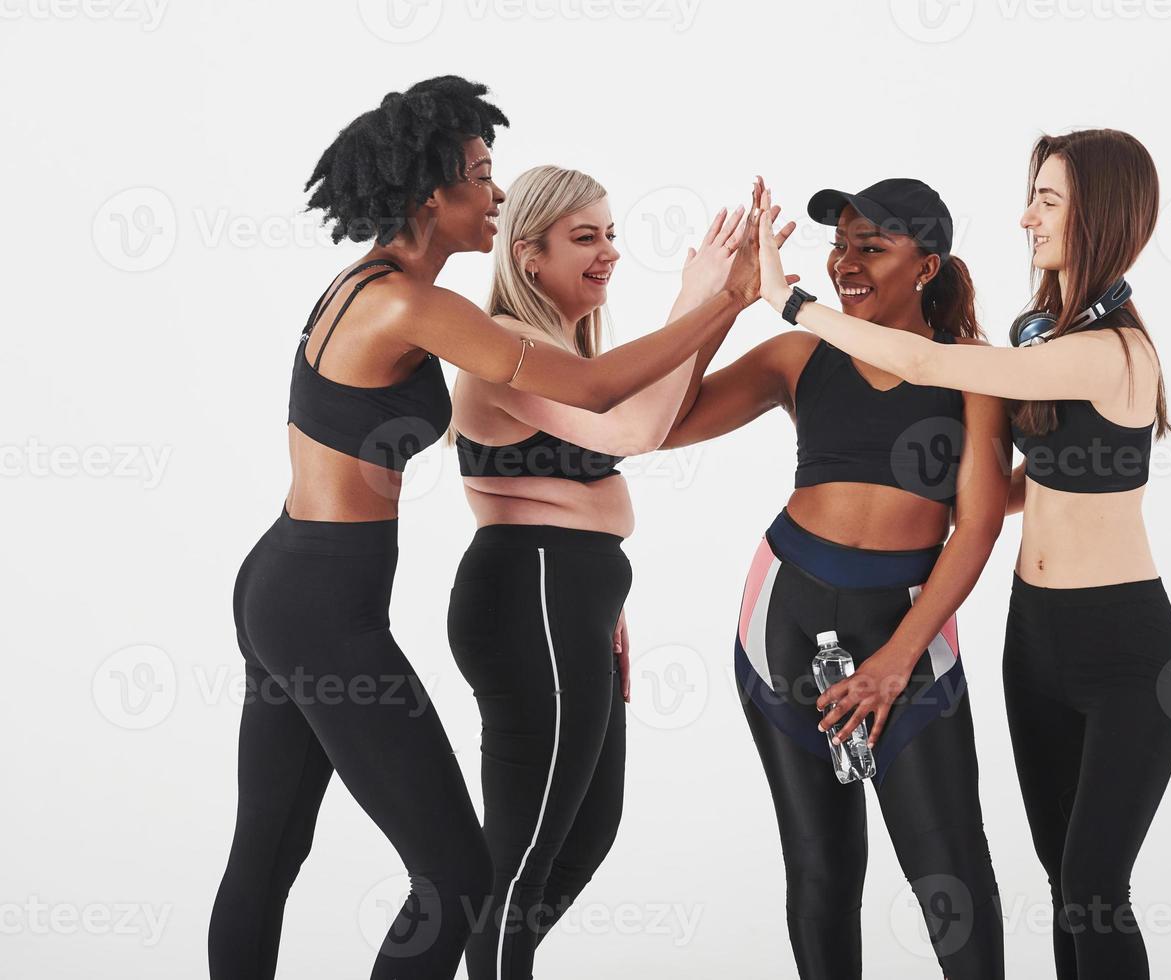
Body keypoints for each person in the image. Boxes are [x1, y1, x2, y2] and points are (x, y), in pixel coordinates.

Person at [208, 76, 766, 980]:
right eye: (480, 175)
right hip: (319, 606)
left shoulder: (375, 289)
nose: (496, 197)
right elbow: (591, 391)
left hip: (289, 581)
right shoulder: (405, 303)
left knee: (270, 855)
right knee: (456, 873)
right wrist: (720, 301)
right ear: (434, 192)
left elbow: (562, 417)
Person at [755, 130, 1171, 979]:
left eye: (1048, 200)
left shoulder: (1112, 351)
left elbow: (924, 359)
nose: (1026, 216)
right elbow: (1042, 481)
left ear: (1097, 214)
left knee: (1096, 885)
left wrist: (787, 300)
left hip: (1120, 644)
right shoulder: (1047, 337)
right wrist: (969, 488)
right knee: (1064, 881)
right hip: (1037, 639)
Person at [446, 167, 793, 979]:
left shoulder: (563, 356)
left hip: (569, 594)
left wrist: (726, 305)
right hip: (531, 591)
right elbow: (634, 430)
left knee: (583, 840)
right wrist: (707, 296)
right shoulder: (506, 345)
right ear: (528, 256)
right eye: (585, 237)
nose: (608, 252)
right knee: (521, 861)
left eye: (609, 233)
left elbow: (655, 414)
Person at [663, 178, 1009, 978]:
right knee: (821, 868)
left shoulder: (973, 370)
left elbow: (979, 523)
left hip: (909, 626)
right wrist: (724, 302)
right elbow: (664, 424)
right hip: (782, 616)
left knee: (949, 867)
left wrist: (897, 659)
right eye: (840, 244)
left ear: (926, 266)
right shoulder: (798, 352)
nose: (846, 263)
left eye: (871, 246)